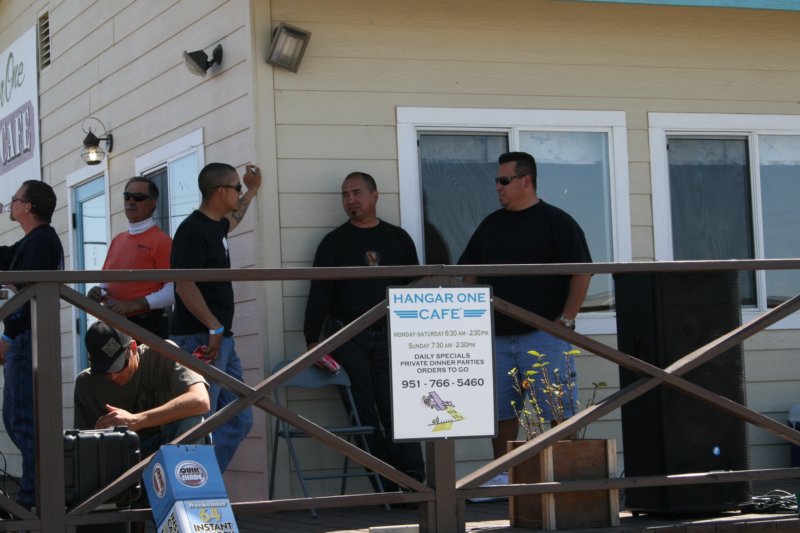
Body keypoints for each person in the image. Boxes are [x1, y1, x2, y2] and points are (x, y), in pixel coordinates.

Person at [459, 151, 592, 462]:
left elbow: (582, 271)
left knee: (558, 412)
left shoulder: (558, 222)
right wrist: (472, 322)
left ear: (526, 181)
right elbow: (470, 273)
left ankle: (565, 474)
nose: (498, 187)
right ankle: (503, 474)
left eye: (504, 180)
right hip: (497, 338)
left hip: (545, 334)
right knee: (501, 414)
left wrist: (566, 321)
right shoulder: (490, 224)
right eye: (497, 181)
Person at [303, 171, 426, 487]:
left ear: (374, 195)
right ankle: (385, 485)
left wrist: (420, 335)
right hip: (348, 337)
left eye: (357, 192)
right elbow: (320, 294)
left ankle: (414, 482)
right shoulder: (333, 242)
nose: (350, 200)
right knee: (362, 413)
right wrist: (312, 340)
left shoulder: (398, 238)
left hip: (393, 336)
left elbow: (414, 289)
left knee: (400, 407)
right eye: (345, 195)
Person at [168, 162, 260, 472]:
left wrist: (252, 190)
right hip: (199, 339)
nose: (238, 192)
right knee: (200, 422)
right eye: (236, 188)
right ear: (220, 191)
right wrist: (214, 327)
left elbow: (234, 217)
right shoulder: (191, 230)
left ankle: (204, 481)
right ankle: (190, 487)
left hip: (221, 340)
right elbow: (184, 284)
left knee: (239, 419)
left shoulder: (216, 226)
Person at [0, 180, 64, 509]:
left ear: (27, 206)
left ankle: (35, 500)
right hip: (24, 339)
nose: (10, 204)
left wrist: (7, 336)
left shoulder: (41, 241)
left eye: (14, 199)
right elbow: (5, 258)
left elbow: (28, 298)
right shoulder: (34, 241)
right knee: (17, 418)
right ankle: (36, 497)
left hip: (27, 340)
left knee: (23, 419)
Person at [74, 321, 210, 456]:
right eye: (105, 371)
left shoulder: (162, 353)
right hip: (118, 458)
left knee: (192, 423)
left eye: (120, 366)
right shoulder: (86, 383)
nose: (114, 376)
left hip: (166, 448)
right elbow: (81, 447)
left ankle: (185, 471)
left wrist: (136, 420)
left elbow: (201, 400)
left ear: (133, 347)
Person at [88, 177, 173, 337]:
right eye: (127, 196)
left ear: (153, 203)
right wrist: (97, 293)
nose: (131, 201)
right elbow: (105, 283)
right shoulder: (117, 240)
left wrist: (131, 305)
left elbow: (173, 290)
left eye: (138, 197)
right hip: (114, 326)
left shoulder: (163, 242)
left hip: (147, 326)